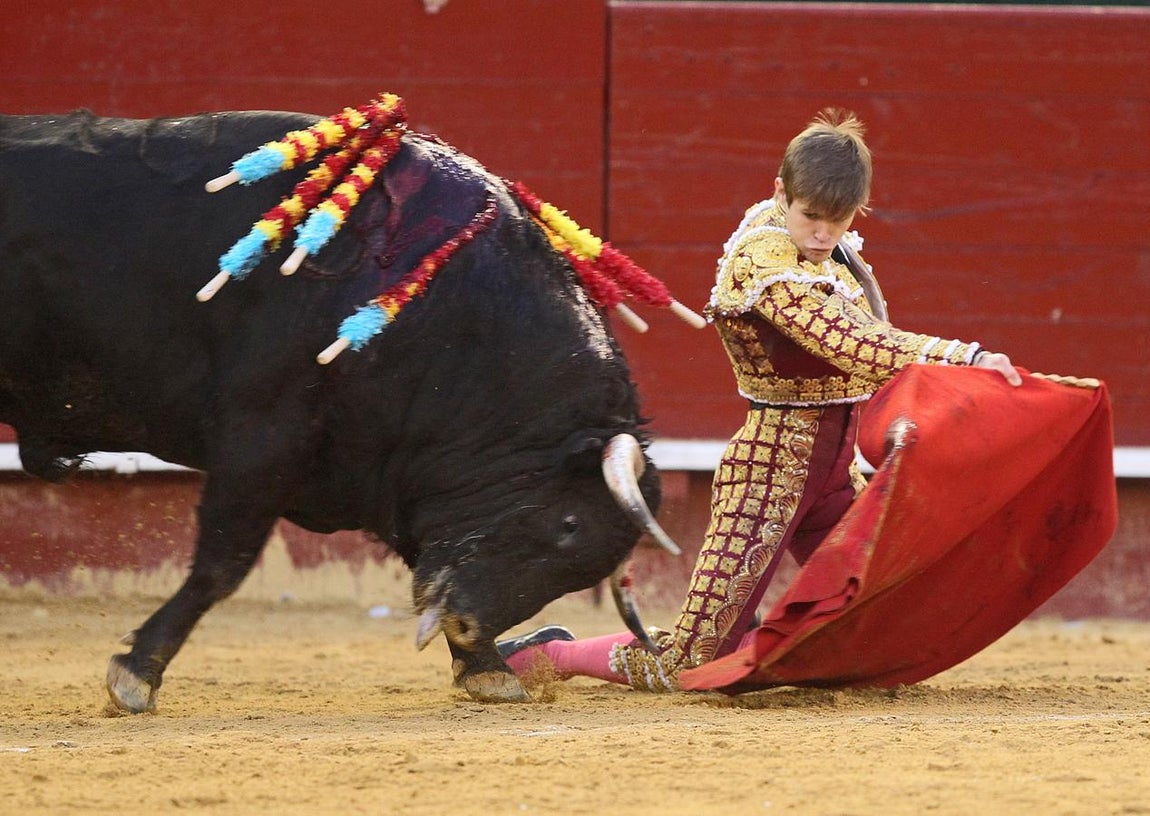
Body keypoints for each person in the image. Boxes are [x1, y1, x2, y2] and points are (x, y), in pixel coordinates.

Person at [499, 109, 1022, 692]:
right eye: (811, 217)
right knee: (689, 662)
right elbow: (847, 340)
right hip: (769, 473)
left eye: (838, 220)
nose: (822, 234)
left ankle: (770, 646)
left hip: (834, 472)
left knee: (881, 621)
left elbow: (865, 333)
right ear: (780, 194)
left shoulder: (834, 249)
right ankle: (555, 653)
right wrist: (964, 357)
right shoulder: (761, 261)